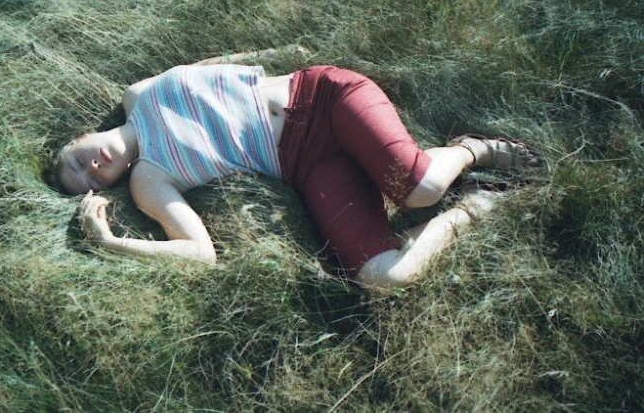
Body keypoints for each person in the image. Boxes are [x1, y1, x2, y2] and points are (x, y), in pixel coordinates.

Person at [50, 46, 539, 289]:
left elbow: (206, 67)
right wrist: (111, 243)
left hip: (322, 97)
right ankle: (474, 206)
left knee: (421, 187)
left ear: (80, 138)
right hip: (308, 164)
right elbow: (201, 254)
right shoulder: (148, 180)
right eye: (93, 180)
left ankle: (477, 150)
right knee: (383, 277)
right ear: (109, 187)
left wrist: (271, 57)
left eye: (79, 159)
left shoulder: (136, 94)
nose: (94, 166)